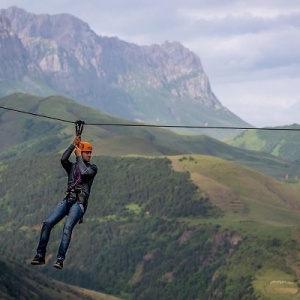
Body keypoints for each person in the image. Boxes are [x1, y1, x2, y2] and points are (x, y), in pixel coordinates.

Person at [31, 136, 98, 270]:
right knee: (47, 223)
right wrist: (73, 145)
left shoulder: (93, 168)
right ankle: (40, 255)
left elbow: (84, 173)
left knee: (67, 228)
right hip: (68, 199)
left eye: (90, 152)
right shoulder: (72, 167)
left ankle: (60, 259)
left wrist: (79, 156)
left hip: (79, 203)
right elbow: (63, 159)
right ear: (81, 152)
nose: (89, 155)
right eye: (86, 152)